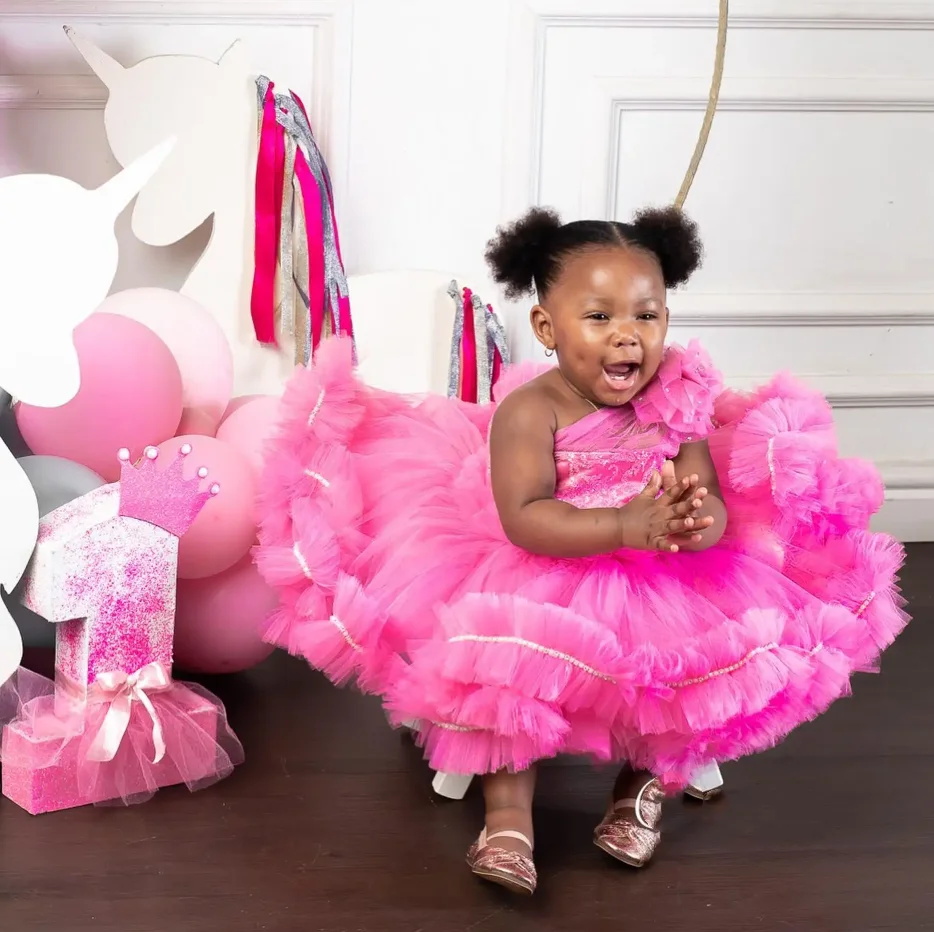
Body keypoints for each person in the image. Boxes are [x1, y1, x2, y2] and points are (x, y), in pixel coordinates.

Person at [255, 206, 908, 896]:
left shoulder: (677, 402)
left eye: (647, 317)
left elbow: (707, 500)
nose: (627, 336)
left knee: (681, 670)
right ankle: (508, 815)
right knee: (510, 672)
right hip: (549, 563)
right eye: (599, 318)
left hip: (663, 577)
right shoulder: (532, 412)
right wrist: (626, 527)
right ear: (547, 328)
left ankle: (642, 786)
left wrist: (694, 523)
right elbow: (525, 518)